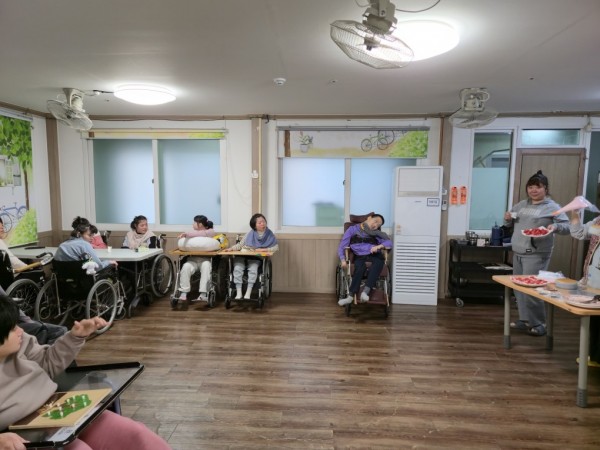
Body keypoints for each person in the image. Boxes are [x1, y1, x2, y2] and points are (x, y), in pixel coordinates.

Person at [0, 294, 172, 449]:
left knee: (138, 435)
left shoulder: (22, 342)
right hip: (23, 434)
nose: (21, 330)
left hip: (55, 409)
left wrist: (76, 336)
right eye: (12, 329)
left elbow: (47, 363)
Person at [503, 170, 569, 336]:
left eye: (538, 187)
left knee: (532, 289)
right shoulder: (522, 205)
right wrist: (507, 218)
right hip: (518, 251)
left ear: (545, 189)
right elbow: (509, 223)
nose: (533, 190)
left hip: (536, 253)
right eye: (530, 187)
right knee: (519, 288)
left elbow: (567, 227)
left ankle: (540, 323)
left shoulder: (552, 207)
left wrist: (555, 226)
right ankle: (525, 319)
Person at [0, 218, 68, 345]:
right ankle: (44, 303)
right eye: (0, 227)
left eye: (2, 226)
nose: (3, 229)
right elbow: (15, 262)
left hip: (6, 281)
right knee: (39, 271)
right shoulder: (1, 245)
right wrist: (29, 267)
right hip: (13, 277)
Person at [337, 213, 392, 306]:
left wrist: (379, 246)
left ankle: (365, 292)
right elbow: (342, 246)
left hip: (374, 254)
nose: (375, 225)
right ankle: (350, 297)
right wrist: (343, 260)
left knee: (379, 262)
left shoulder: (377, 234)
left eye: (378, 225)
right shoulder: (353, 229)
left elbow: (389, 243)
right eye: (375, 221)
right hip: (360, 255)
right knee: (359, 268)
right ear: (369, 218)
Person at [569, 208, 600, 367]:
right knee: (595, 319)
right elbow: (579, 233)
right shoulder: (597, 220)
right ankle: (595, 356)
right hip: (594, 278)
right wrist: (575, 213)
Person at [223, 214, 278, 300]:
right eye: (259, 223)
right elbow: (240, 245)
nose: (263, 224)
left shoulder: (269, 234)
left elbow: (276, 247)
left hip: (255, 257)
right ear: (254, 225)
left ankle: (248, 292)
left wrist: (264, 250)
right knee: (237, 268)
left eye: (263, 221)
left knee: (253, 269)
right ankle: (239, 292)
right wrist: (231, 249)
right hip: (243, 255)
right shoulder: (250, 233)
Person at [175, 215, 216, 302]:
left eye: (194, 222)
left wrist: (187, 234)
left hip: (205, 260)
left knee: (206, 266)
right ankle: (184, 292)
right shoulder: (192, 233)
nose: (192, 224)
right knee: (186, 267)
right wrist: (187, 234)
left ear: (200, 224)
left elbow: (202, 234)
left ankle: (203, 293)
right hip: (192, 260)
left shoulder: (210, 232)